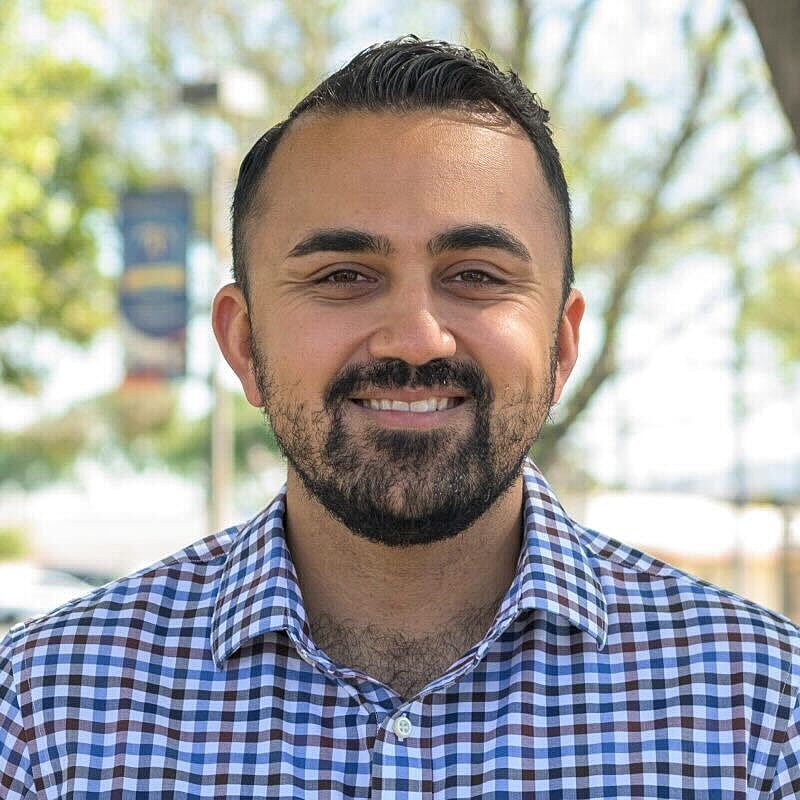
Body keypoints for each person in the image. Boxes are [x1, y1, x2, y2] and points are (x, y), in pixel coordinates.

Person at [1, 36, 798, 798]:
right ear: (243, 343)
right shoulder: (42, 718)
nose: (416, 336)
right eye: (345, 274)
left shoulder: (765, 718)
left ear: (560, 345)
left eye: (477, 275)